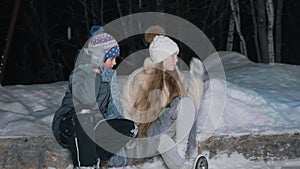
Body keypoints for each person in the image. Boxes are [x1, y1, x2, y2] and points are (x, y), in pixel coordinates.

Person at [52, 26, 137, 169]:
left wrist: (118, 151)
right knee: (85, 114)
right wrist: (95, 71)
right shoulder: (80, 72)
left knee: (129, 128)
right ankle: (86, 165)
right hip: (69, 125)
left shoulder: (107, 77)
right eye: (112, 58)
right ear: (100, 58)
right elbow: (87, 100)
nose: (115, 63)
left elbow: (111, 113)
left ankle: (94, 155)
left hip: (93, 127)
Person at [121, 35, 208, 169]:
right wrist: (128, 140)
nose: (176, 59)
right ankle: (184, 163)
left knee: (184, 102)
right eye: (172, 55)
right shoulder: (140, 78)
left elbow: (189, 107)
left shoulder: (174, 77)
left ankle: (181, 156)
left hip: (169, 133)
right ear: (161, 57)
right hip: (145, 135)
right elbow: (125, 109)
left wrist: (196, 80)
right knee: (163, 140)